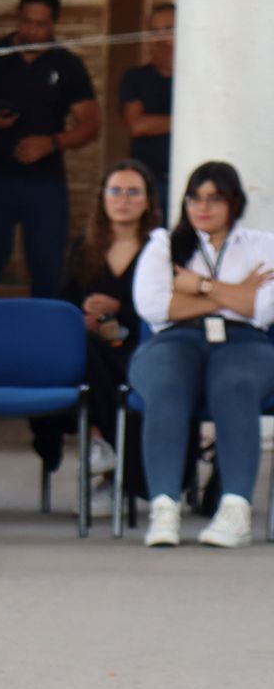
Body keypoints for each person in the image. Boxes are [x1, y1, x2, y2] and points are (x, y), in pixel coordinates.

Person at [129, 162, 274, 548]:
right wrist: (233, 294)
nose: (203, 208)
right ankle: (164, 506)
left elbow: (261, 308)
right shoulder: (163, 243)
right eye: (195, 198)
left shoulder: (263, 244)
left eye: (215, 199)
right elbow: (154, 304)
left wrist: (199, 286)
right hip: (175, 341)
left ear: (234, 202)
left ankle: (235, 508)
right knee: (166, 384)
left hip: (245, 343)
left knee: (235, 384)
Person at [48, 160, 159, 515]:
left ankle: (109, 460)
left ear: (146, 201)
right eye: (115, 191)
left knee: (105, 364)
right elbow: (63, 301)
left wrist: (120, 307)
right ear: (102, 198)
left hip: (141, 346)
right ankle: (101, 448)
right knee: (81, 354)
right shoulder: (84, 246)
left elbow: (166, 304)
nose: (122, 200)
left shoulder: (160, 248)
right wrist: (82, 318)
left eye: (132, 192)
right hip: (93, 346)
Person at [0, 0, 101, 301]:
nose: (32, 30)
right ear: (17, 18)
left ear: (54, 24)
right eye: (26, 21)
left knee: (48, 269)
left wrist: (52, 143)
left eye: (41, 24)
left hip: (44, 182)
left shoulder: (67, 65)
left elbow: (90, 124)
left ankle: (46, 340)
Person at [118, 3, 175, 191]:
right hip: (149, 182)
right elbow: (137, 125)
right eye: (154, 31)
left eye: (168, 30)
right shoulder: (135, 77)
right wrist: (184, 121)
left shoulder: (196, 80)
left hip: (190, 179)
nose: (160, 39)